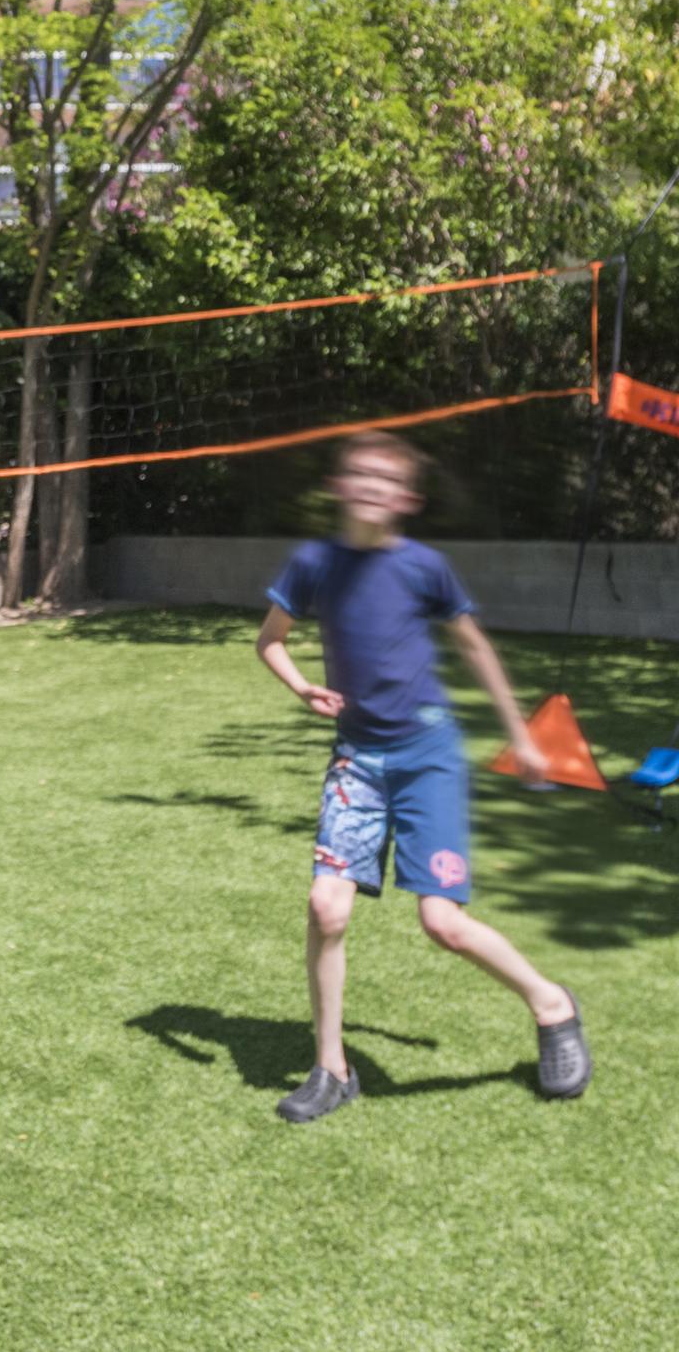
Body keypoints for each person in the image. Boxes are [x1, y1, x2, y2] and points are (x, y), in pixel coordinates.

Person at [253, 430, 586, 1123]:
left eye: (386, 479)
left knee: (442, 922)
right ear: (339, 486)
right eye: (360, 474)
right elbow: (269, 639)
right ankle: (330, 1067)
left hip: (426, 754)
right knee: (325, 906)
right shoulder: (313, 562)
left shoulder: (424, 566)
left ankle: (550, 1002)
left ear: (406, 498)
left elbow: (473, 644)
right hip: (356, 760)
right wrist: (301, 686)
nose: (372, 487)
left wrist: (519, 733)